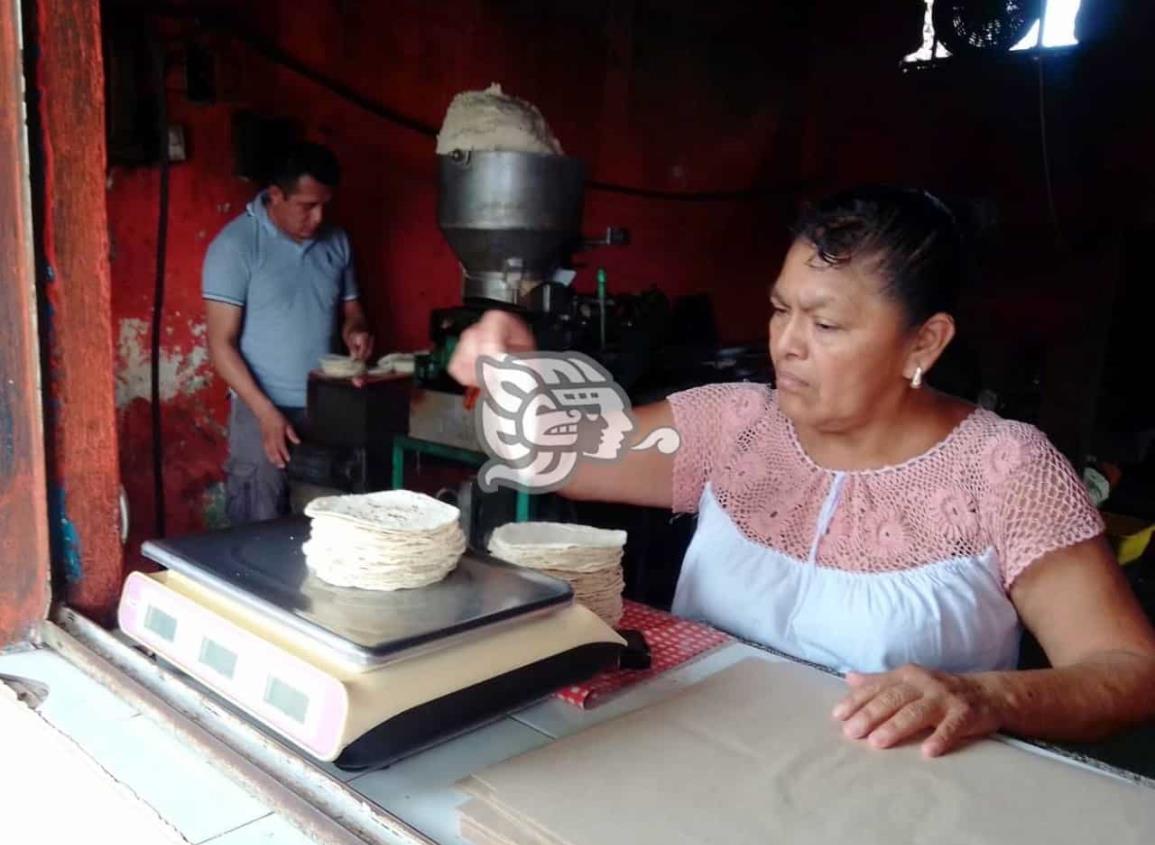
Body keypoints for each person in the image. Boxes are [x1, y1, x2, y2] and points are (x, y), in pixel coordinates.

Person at [449, 186, 1155, 757]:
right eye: (780, 309)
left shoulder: (1003, 468)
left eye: (825, 324)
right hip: (692, 768)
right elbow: (556, 451)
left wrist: (990, 698)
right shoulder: (734, 424)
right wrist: (507, 361)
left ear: (925, 339)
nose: (786, 344)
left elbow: (1129, 672)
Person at [203, 142, 373, 525]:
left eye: (324, 205)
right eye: (307, 206)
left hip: (326, 407)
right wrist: (267, 415)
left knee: (329, 525)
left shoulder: (337, 242)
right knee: (257, 526)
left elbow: (352, 309)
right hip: (259, 408)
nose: (318, 217)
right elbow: (220, 345)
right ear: (275, 196)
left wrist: (356, 329)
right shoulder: (235, 246)